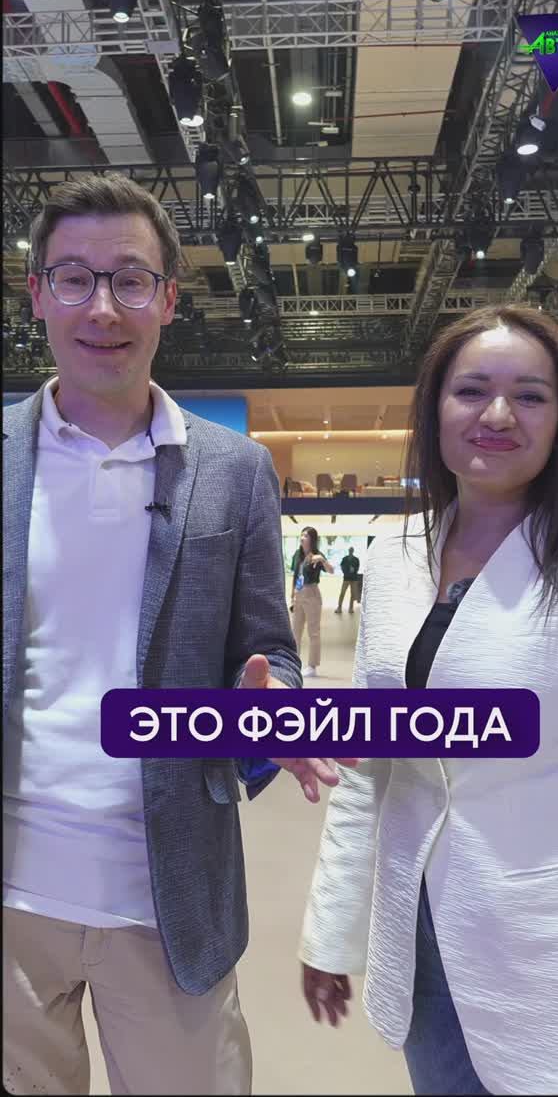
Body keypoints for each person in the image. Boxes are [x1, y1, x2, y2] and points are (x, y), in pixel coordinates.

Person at [2, 172, 358, 1097]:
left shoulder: (234, 470)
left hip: (170, 897)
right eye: (74, 278)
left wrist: (270, 709)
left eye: (129, 279)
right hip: (12, 902)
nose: (102, 308)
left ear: (167, 298)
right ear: (37, 292)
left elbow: (271, 649)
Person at [298, 304, 558, 1096]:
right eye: (472, 390)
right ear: (435, 408)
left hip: (556, 954)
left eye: (531, 395)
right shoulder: (394, 554)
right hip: (421, 944)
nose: (498, 415)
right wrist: (331, 932)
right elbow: (368, 766)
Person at [290, 526, 334, 678]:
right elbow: (296, 575)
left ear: (312, 539)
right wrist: (292, 596)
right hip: (298, 593)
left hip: (312, 593)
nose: (302, 538)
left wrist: (322, 560)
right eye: (302, 535)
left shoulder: (317, 555)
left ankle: (312, 666)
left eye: (306, 536)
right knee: (295, 632)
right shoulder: (297, 554)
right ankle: (294, 663)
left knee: (313, 632)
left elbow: (331, 570)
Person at [335, 546, 360, 614]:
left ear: (353, 551)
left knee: (353, 594)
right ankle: (339, 608)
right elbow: (341, 566)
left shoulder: (356, 559)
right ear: (348, 551)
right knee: (342, 593)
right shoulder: (345, 558)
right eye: (350, 550)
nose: (351, 551)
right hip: (346, 578)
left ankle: (351, 608)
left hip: (354, 578)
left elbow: (357, 568)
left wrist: (354, 570)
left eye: (352, 550)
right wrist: (346, 571)